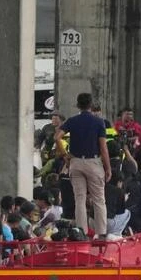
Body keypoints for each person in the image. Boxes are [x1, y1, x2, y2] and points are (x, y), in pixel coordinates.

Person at [56, 93, 111, 238]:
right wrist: (108, 168)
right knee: (99, 200)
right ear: (91, 105)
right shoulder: (99, 122)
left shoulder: (72, 121)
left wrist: (65, 155)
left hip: (75, 162)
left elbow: (57, 137)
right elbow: (103, 148)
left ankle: (81, 233)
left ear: (78, 105)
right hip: (93, 162)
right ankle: (101, 234)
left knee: (79, 199)